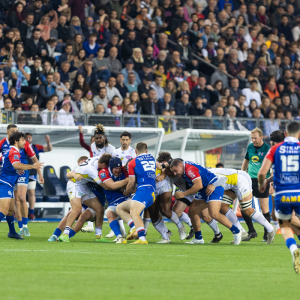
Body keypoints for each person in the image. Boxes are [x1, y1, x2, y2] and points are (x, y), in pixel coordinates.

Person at [258, 122, 300, 274]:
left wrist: (262, 184)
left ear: (286, 134)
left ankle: (294, 249)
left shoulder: (275, 149)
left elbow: (262, 173)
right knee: (288, 219)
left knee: (285, 224)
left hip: (283, 194)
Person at [169, 159, 242, 245]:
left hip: (214, 188)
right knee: (192, 212)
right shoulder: (182, 166)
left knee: (214, 214)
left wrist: (183, 194)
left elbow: (198, 185)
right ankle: (198, 238)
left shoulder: (189, 169)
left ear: (181, 165)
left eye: (175, 171)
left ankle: (236, 231)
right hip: (203, 189)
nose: (174, 174)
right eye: (173, 171)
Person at [0, 132, 43, 239]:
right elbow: (16, 164)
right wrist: (32, 166)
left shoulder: (10, 151)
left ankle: (12, 232)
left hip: (8, 183)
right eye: (23, 140)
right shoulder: (14, 151)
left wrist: (16, 169)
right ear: (16, 141)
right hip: (4, 183)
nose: (25, 142)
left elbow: (10, 165)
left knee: (10, 210)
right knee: (4, 211)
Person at [116, 142, 156, 244]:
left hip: (144, 190)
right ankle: (134, 228)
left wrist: (126, 193)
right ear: (146, 151)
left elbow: (131, 182)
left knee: (135, 213)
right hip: (151, 192)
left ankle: (142, 239)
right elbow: (160, 166)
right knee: (119, 208)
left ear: (135, 151)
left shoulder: (132, 162)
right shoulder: (151, 158)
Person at [241, 128, 271, 242]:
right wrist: (242, 174)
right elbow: (246, 161)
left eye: (255, 138)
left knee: (264, 208)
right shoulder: (250, 147)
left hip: (262, 180)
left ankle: (267, 234)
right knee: (243, 206)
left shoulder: (268, 149)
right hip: (249, 180)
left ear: (261, 137)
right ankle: (251, 231)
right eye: (252, 138)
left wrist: (271, 180)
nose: (253, 140)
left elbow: (272, 165)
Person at [99, 157, 131, 244]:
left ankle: (136, 230)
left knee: (134, 209)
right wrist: (126, 181)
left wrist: (125, 188)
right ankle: (120, 237)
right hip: (113, 201)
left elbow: (131, 184)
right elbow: (112, 185)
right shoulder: (103, 172)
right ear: (110, 167)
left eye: (119, 168)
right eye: (116, 168)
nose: (118, 170)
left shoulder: (124, 170)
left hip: (125, 198)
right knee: (109, 213)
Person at [25, 133, 52, 220]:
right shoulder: (21, 147)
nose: (28, 139)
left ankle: (31, 213)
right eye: (27, 138)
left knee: (31, 193)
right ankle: (17, 212)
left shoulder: (35, 147)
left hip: (32, 173)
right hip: (21, 172)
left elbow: (49, 149)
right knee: (20, 194)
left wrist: (48, 142)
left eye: (30, 138)